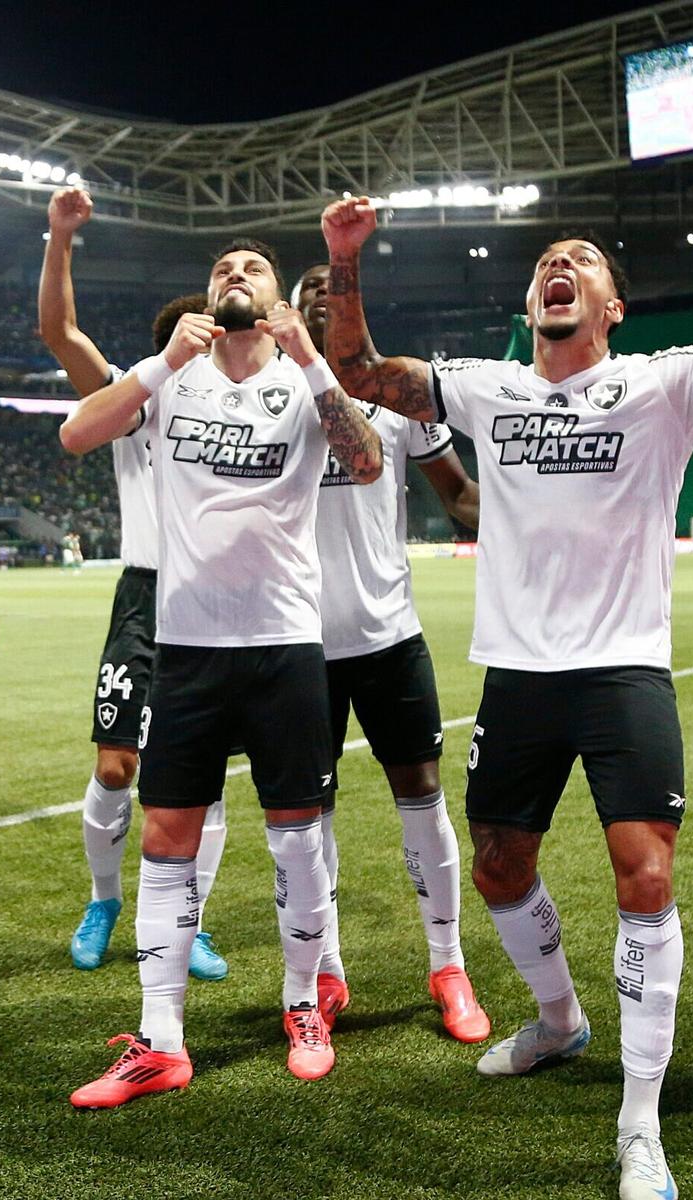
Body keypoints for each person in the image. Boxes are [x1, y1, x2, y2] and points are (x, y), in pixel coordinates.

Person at [321, 158, 693, 1198]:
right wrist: (345, 264)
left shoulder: (662, 382)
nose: (559, 266)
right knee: (499, 870)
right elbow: (359, 372)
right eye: (546, 263)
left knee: (644, 879)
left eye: (583, 262)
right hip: (516, 677)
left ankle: (639, 1122)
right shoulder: (489, 386)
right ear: (532, 303)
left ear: (613, 304)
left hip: (622, 674)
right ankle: (560, 1020)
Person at [58, 235, 382, 1108]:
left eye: (252, 268)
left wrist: (314, 362)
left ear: (275, 297)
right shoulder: (172, 375)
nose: (234, 275)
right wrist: (163, 363)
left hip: (282, 644)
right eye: (221, 269)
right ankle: (160, 1041)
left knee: (296, 834)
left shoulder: (304, 381)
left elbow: (367, 461)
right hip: (188, 647)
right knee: (166, 838)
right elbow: (75, 432)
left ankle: (303, 1004)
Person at [291, 261, 490, 1042]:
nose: (317, 294)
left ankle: (448, 966)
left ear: (352, 303)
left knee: (423, 797)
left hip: (386, 634)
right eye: (302, 289)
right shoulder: (266, 399)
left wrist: (536, 517)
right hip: (294, 641)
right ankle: (326, 970)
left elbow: (460, 496)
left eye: (328, 285)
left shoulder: (395, 397)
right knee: (307, 813)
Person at [39, 187, 229, 982]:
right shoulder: (137, 399)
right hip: (147, 598)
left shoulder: (240, 410)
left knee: (206, 780)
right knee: (117, 765)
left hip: (220, 603)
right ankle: (105, 898)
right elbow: (59, 332)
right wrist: (60, 238)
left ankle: (194, 921)